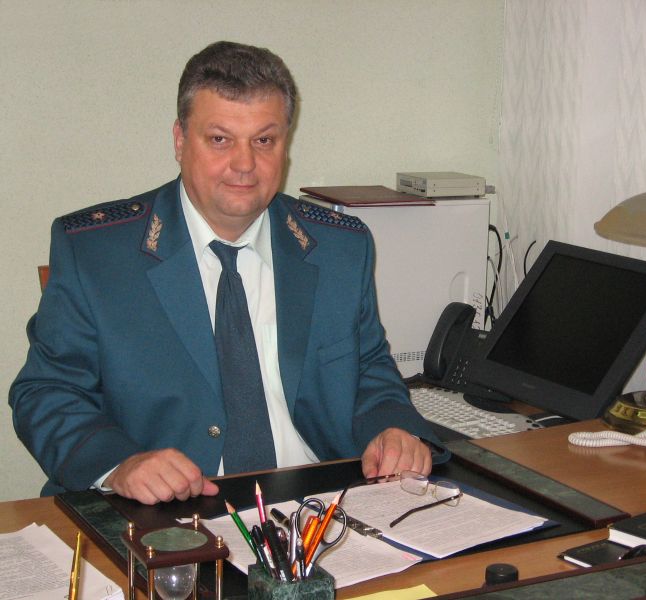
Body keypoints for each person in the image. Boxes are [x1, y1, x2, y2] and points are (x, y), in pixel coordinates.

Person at [10, 41, 443, 505]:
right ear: (180, 140)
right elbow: (46, 392)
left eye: (264, 141)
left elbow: (369, 369)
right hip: (168, 513)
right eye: (220, 139)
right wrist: (120, 464)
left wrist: (392, 430)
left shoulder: (339, 248)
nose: (244, 164)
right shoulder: (98, 253)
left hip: (319, 504)